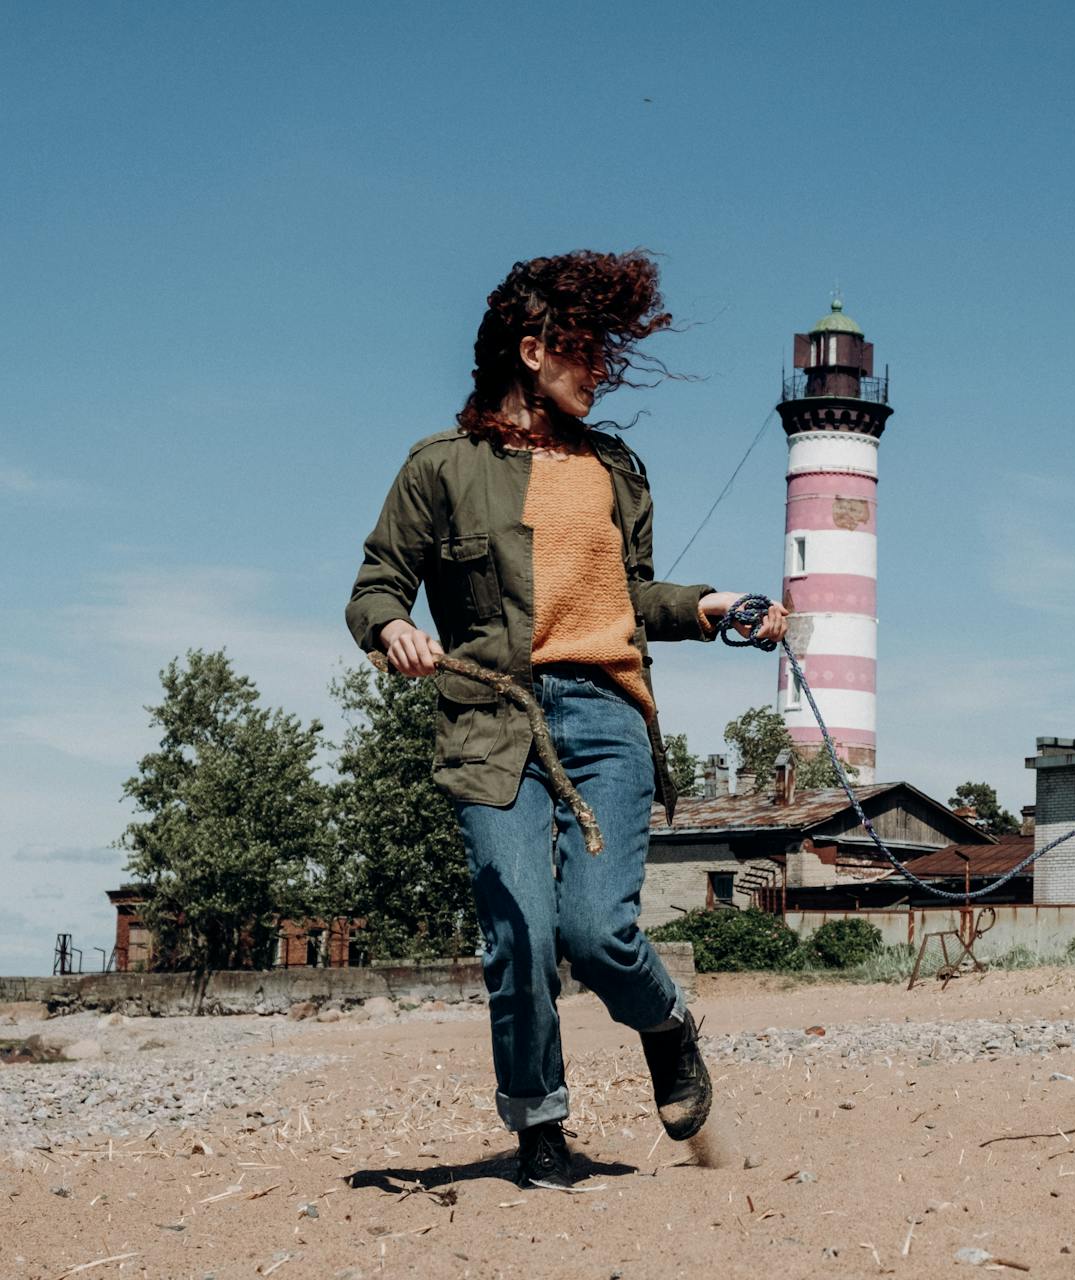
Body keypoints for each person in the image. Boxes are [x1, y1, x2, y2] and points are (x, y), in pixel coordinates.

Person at [345, 250, 786, 1190]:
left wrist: (714, 606)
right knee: (519, 930)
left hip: (605, 714)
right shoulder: (441, 467)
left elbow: (627, 595)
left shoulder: (616, 470)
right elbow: (379, 582)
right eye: (586, 353)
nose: (602, 373)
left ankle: (667, 1028)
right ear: (532, 350)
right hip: (493, 719)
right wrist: (391, 626)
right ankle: (539, 1125)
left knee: (596, 933)